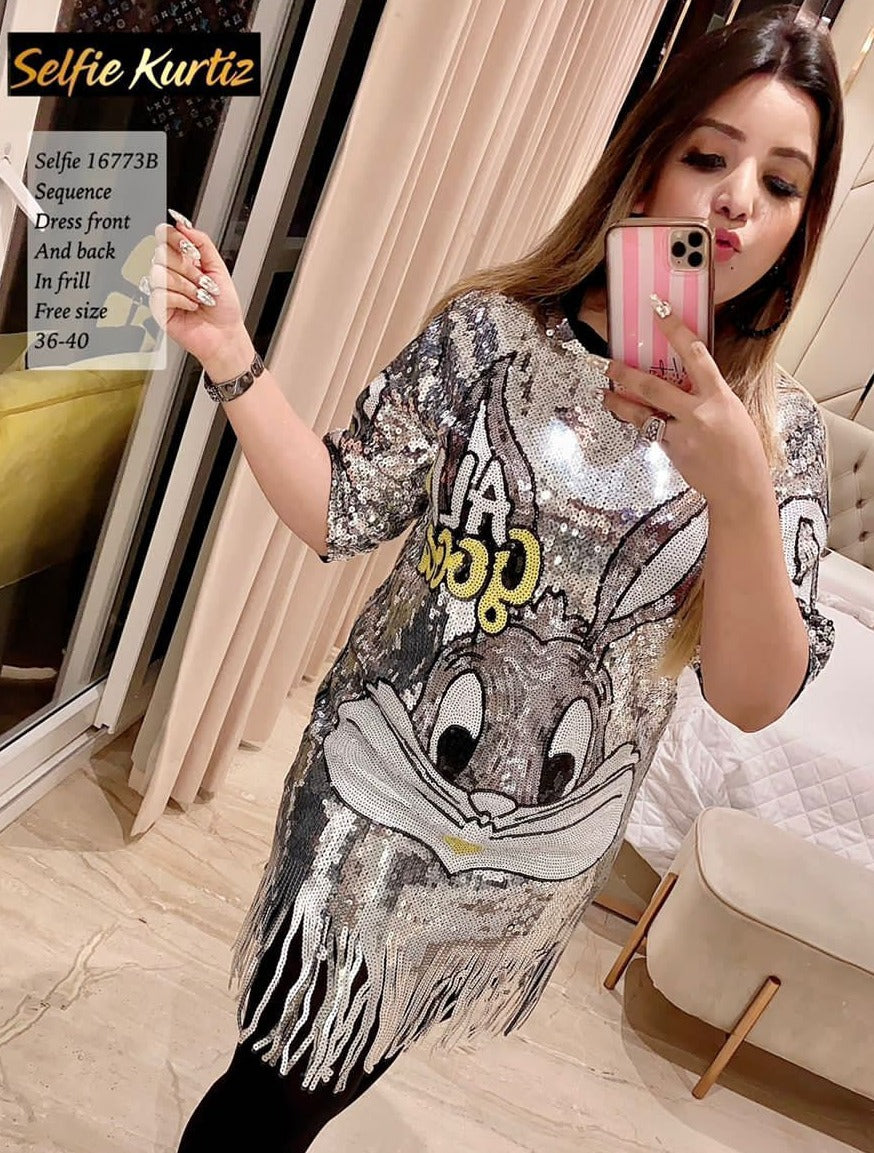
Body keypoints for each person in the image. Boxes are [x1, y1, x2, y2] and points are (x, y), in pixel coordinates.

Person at [147, 6, 842, 1150]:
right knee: (271, 1087)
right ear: (649, 161)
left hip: (527, 852)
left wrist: (738, 490)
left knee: (323, 1081)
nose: (735, 202)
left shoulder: (780, 439)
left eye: (778, 183)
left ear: (800, 225)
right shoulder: (492, 334)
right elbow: (342, 506)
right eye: (709, 157)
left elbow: (748, 693)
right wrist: (231, 353)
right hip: (372, 797)